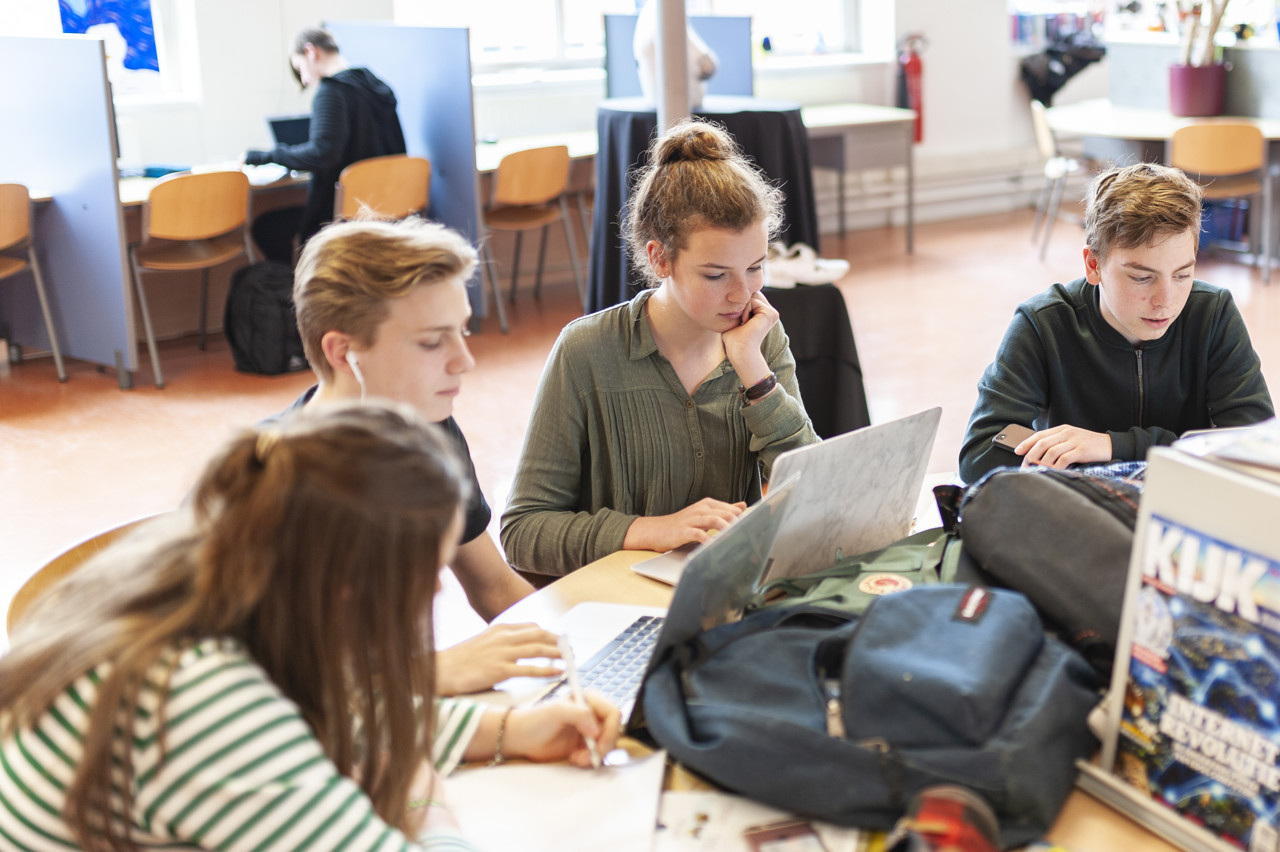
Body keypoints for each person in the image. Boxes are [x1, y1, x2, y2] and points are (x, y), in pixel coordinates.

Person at [0, 403, 621, 851]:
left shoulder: (217, 586)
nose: (434, 591)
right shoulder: (199, 698)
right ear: (348, 582)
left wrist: (508, 729)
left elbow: (339, 708)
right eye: (423, 572)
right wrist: (421, 799)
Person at [501, 119, 818, 578]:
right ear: (659, 258)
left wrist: (755, 374)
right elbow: (524, 531)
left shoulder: (760, 338)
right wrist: (652, 530)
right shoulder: (586, 350)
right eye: (715, 275)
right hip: (618, 609)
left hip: (723, 595)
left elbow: (811, 491)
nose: (741, 293)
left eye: (755, 267)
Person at [288, 216, 561, 694]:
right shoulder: (272, 483)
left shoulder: (429, 430)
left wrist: (576, 655)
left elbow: (493, 586)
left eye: (463, 331)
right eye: (433, 342)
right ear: (342, 351)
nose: (464, 360)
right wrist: (429, 671)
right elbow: (287, 688)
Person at [958, 162, 1274, 484]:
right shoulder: (1043, 324)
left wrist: (1112, 446)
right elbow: (980, 456)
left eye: (1183, 275)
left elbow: (1257, 450)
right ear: (1093, 265)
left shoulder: (1213, 313)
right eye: (1141, 277)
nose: (1166, 300)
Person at [244, 27, 406, 263]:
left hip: (347, 213)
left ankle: (300, 294)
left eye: (300, 70)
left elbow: (323, 154)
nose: (306, 81)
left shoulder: (332, 91)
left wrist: (263, 156)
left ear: (311, 52)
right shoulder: (377, 85)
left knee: (266, 227)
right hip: (386, 207)